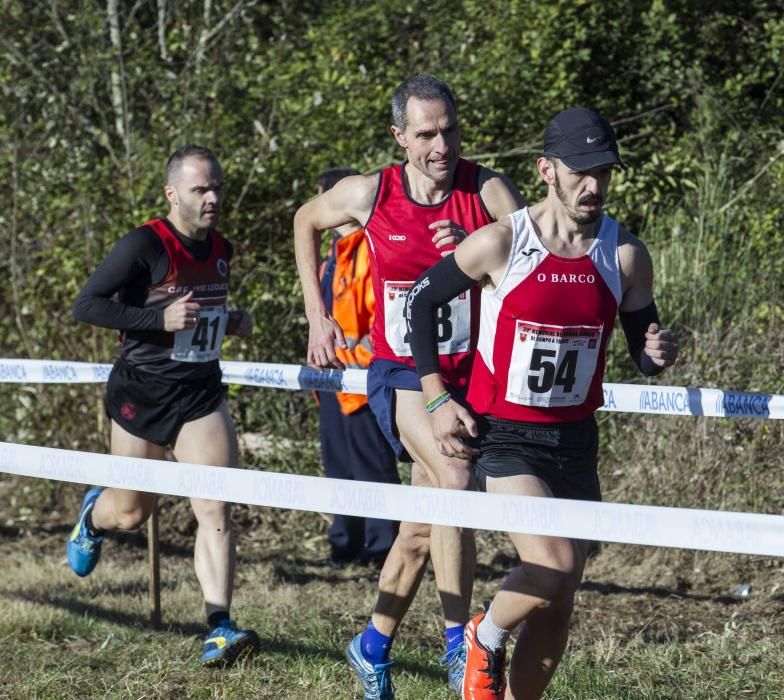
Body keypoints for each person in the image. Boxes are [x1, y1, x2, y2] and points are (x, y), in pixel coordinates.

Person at [405, 107, 679, 699]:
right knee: (554, 564)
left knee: (560, 598)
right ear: (546, 171)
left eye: (604, 172)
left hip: (576, 440)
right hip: (507, 437)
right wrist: (435, 398)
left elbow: (644, 350)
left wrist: (659, 350)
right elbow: (421, 303)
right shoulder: (503, 242)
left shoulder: (626, 255)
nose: (594, 186)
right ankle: (483, 635)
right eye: (580, 172)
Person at [293, 75, 525, 699]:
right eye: (426, 134)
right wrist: (319, 315)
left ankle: (371, 646)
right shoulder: (373, 193)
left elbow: (534, 265)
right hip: (399, 373)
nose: (440, 146)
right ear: (400, 137)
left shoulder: (489, 190)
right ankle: (461, 648)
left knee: (421, 529)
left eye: (449, 130)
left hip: (468, 371)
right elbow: (304, 220)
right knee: (454, 478)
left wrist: (482, 259)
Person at [68, 145, 259, 668]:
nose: (213, 197)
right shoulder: (143, 244)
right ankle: (93, 516)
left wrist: (232, 320)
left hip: (199, 393)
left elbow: (204, 311)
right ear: (173, 194)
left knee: (216, 506)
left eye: (217, 186)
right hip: (141, 393)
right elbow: (86, 305)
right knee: (132, 511)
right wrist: (159, 321)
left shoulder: (221, 247)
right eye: (201, 189)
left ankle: (219, 626)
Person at [314, 167, 400, 568]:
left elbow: (384, 310)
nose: (321, 210)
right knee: (338, 465)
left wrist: (368, 349)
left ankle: (382, 548)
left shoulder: (370, 247)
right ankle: (344, 544)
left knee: (372, 466)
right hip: (332, 377)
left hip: (365, 377)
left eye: (326, 199)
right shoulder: (330, 253)